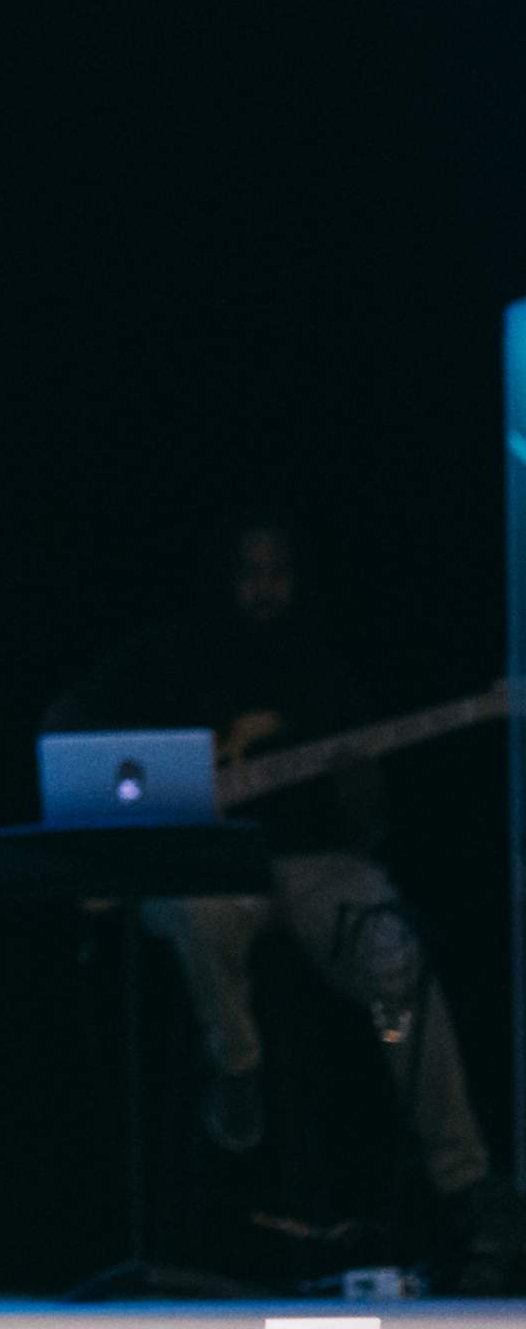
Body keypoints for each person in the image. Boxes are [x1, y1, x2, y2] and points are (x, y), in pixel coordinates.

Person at [49, 511, 503, 1224]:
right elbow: (67, 723)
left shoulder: (323, 664)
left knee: (395, 966)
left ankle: (462, 1176)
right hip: (207, 864)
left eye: (277, 573)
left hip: (315, 867)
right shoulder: (164, 655)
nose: (263, 590)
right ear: (221, 578)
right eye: (248, 574)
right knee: (199, 914)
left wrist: (359, 784)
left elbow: (368, 827)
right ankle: (237, 1068)